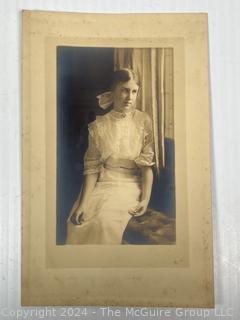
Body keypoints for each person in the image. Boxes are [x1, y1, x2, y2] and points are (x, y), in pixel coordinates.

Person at [65, 68, 155, 244]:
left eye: (134, 91)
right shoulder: (99, 126)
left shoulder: (143, 121)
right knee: (76, 223)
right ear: (113, 92)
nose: (129, 96)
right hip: (102, 184)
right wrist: (83, 203)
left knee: (104, 223)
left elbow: (146, 166)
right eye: (124, 90)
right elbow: (91, 168)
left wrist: (145, 199)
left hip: (129, 186)